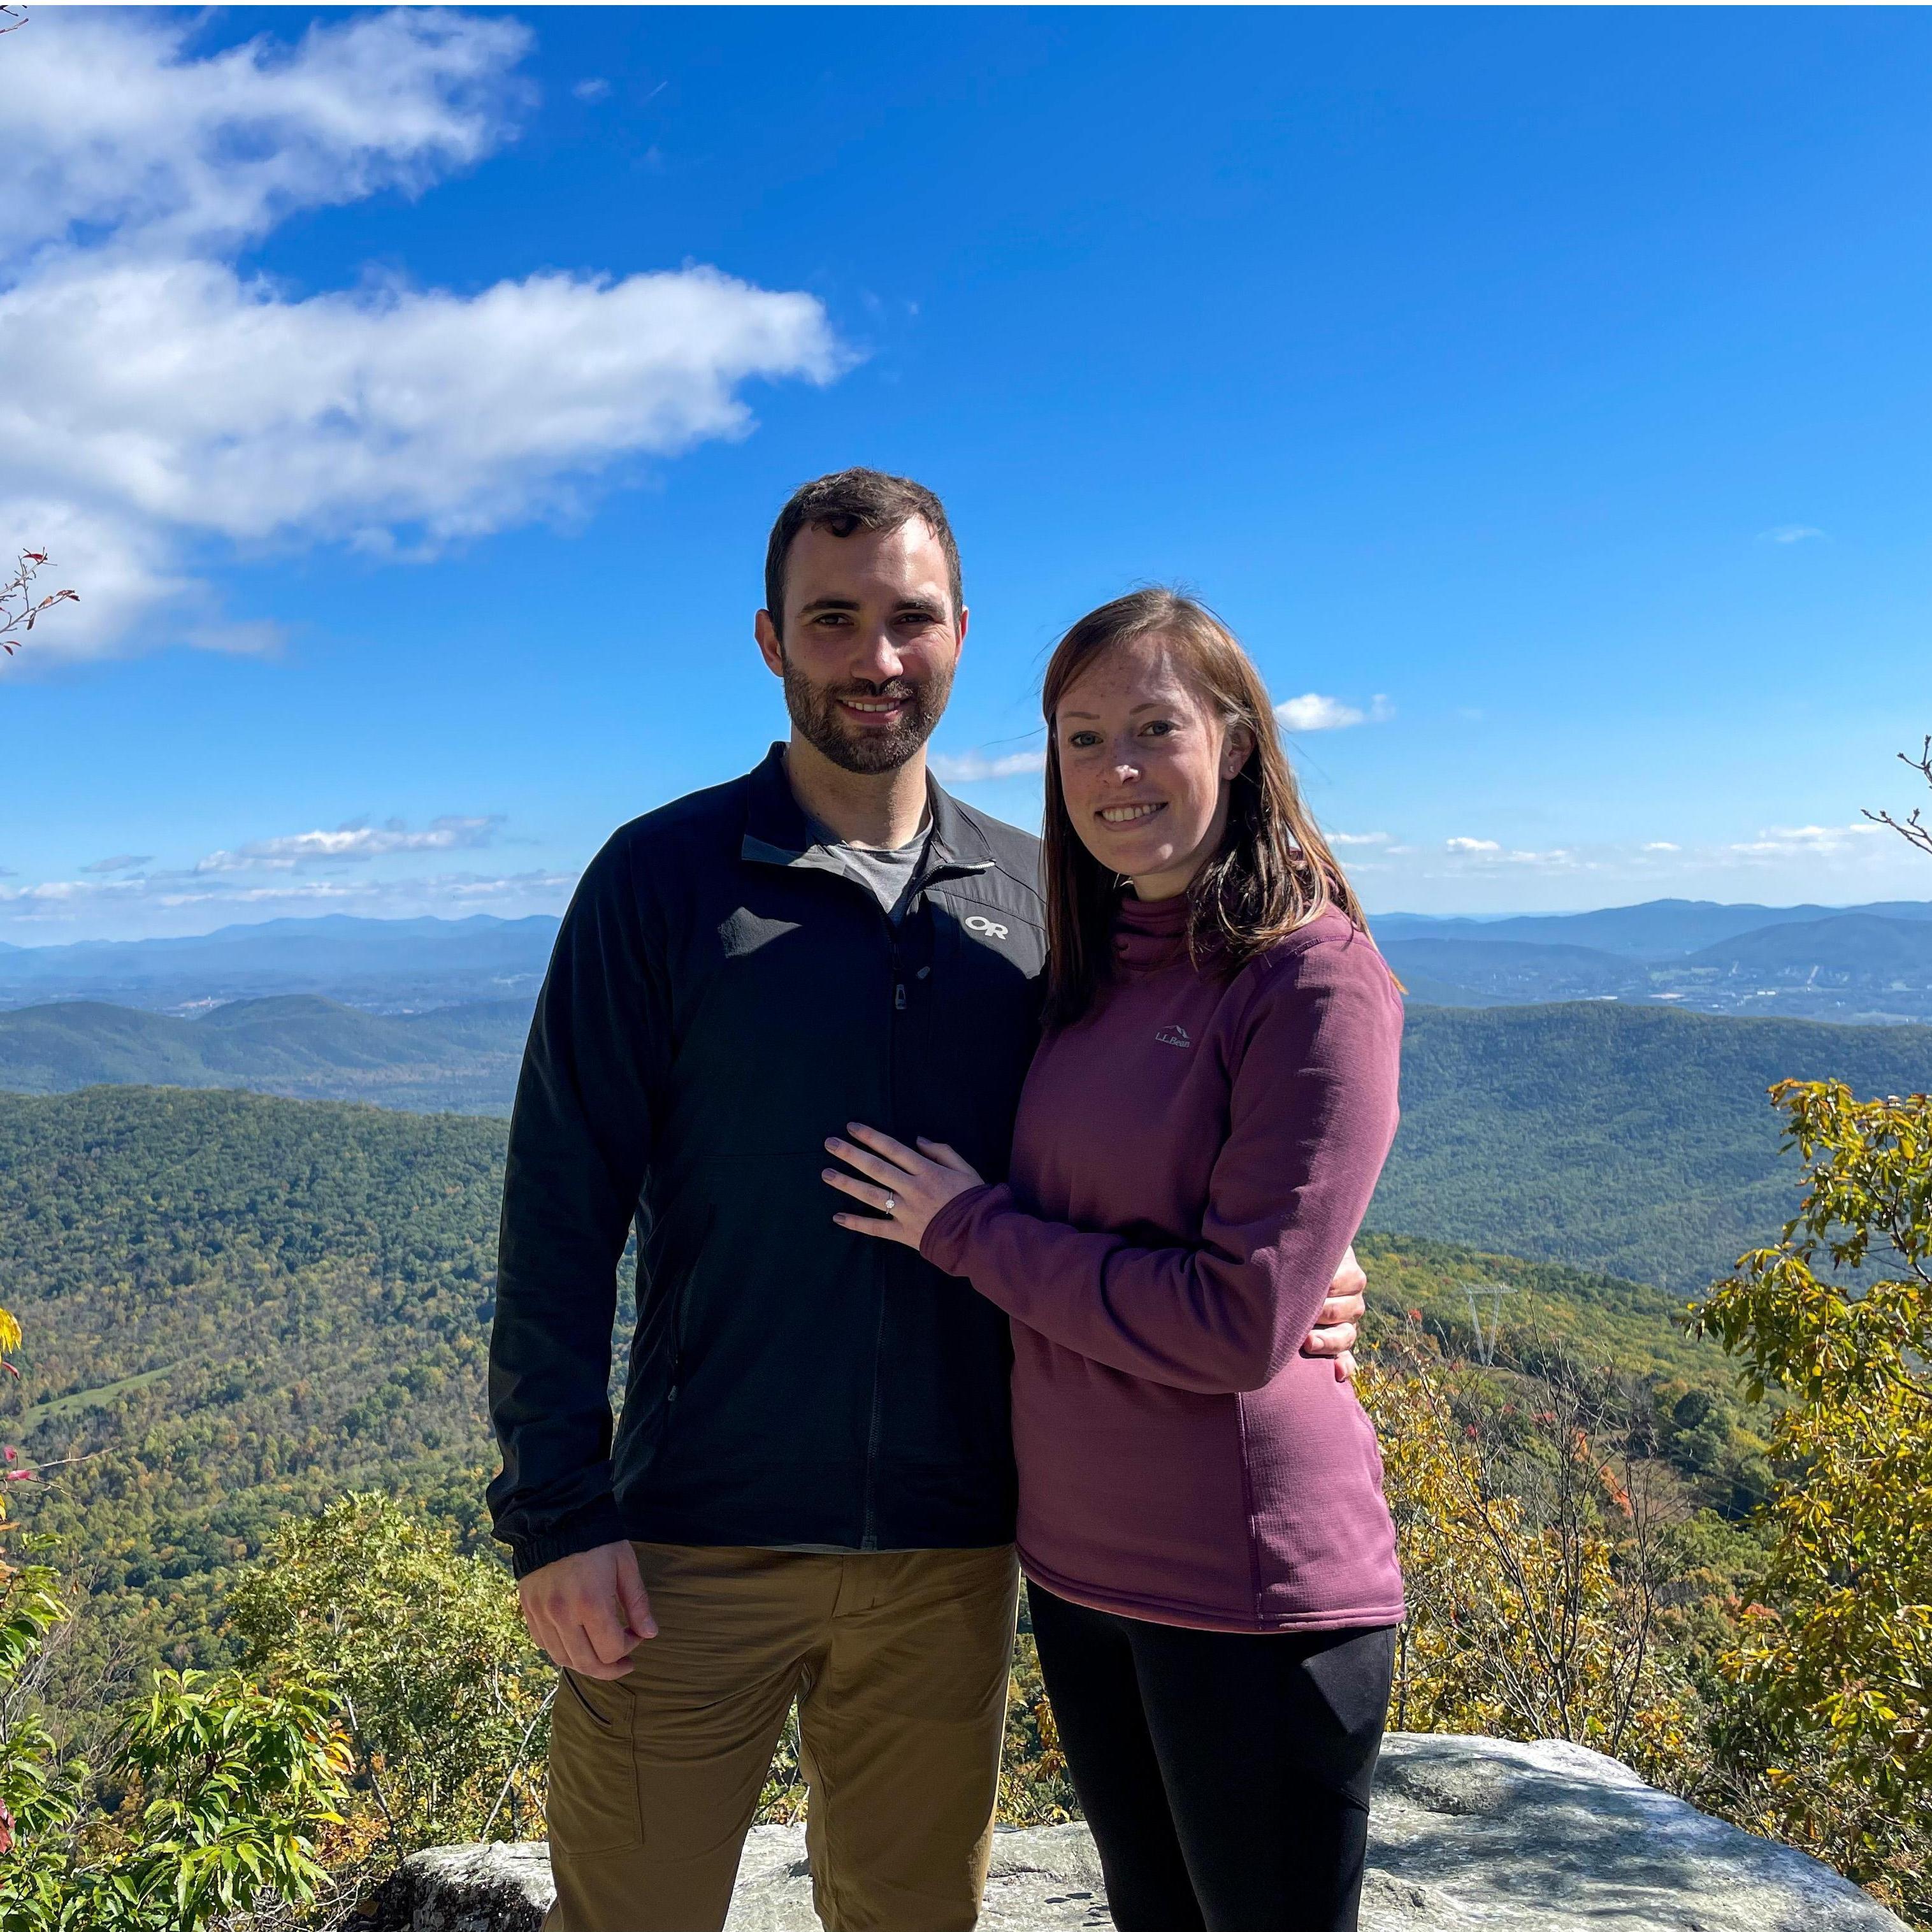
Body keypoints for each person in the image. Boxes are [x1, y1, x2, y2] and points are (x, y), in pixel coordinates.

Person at [489, 475, 1371, 1932]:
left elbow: (1168, 1140)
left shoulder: (1046, 899)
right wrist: (554, 1515)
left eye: (909, 619)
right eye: (834, 621)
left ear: (960, 635)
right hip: (687, 1545)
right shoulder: (662, 881)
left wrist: (1306, 1266)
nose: (875, 658)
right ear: (772, 642)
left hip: (960, 1548)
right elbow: (558, 1211)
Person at [824, 588, 1405, 1932]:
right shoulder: (1095, 971)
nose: (1116, 771)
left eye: (1155, 728)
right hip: (1081, 1567)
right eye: (1081, 739)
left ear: (1241, 744)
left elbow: (1233, 1319)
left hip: (1247, 1585)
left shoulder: (1309, 977)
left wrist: (965, 1229)